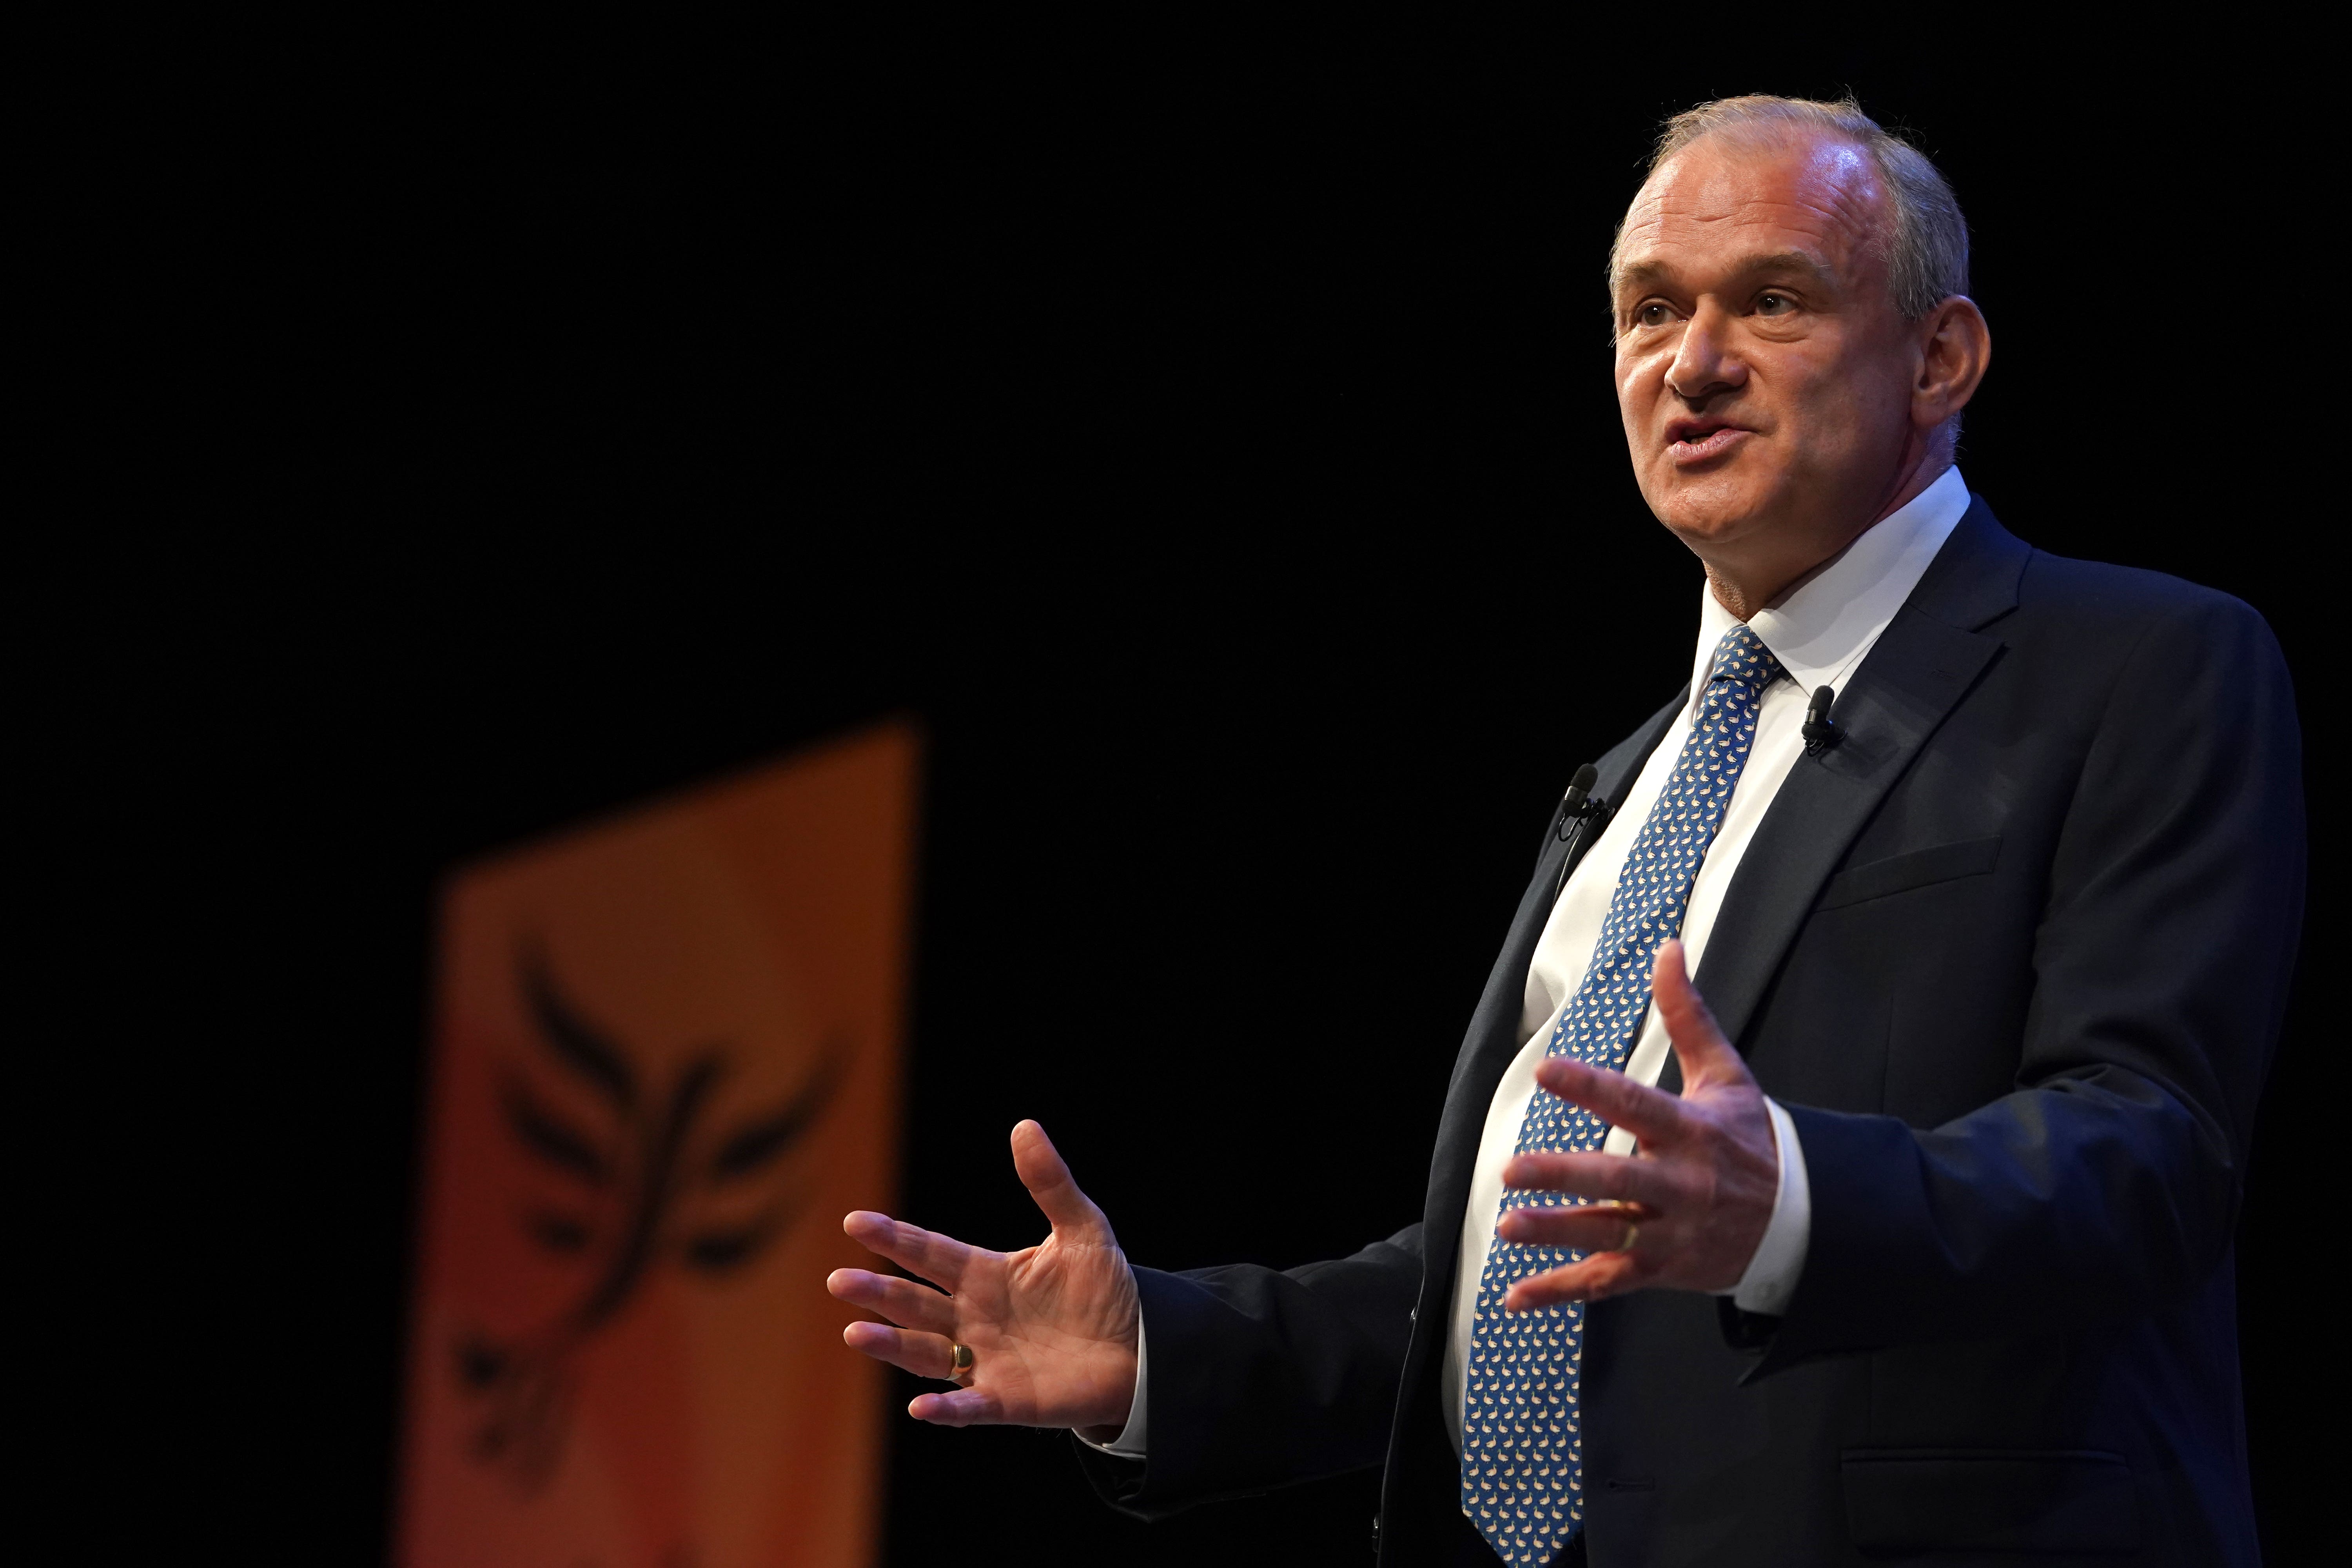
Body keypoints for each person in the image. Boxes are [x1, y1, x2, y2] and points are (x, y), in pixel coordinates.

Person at [824, 95, 2303, 1566]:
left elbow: (2149, 1149)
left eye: (1772, 301)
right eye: (1650, 311)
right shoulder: (1630, 776)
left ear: (1940, 357)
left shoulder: (2133, 666)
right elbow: (1521, 1253)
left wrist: (1792, 1202)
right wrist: (1167, 1354)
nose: (1695, 365)